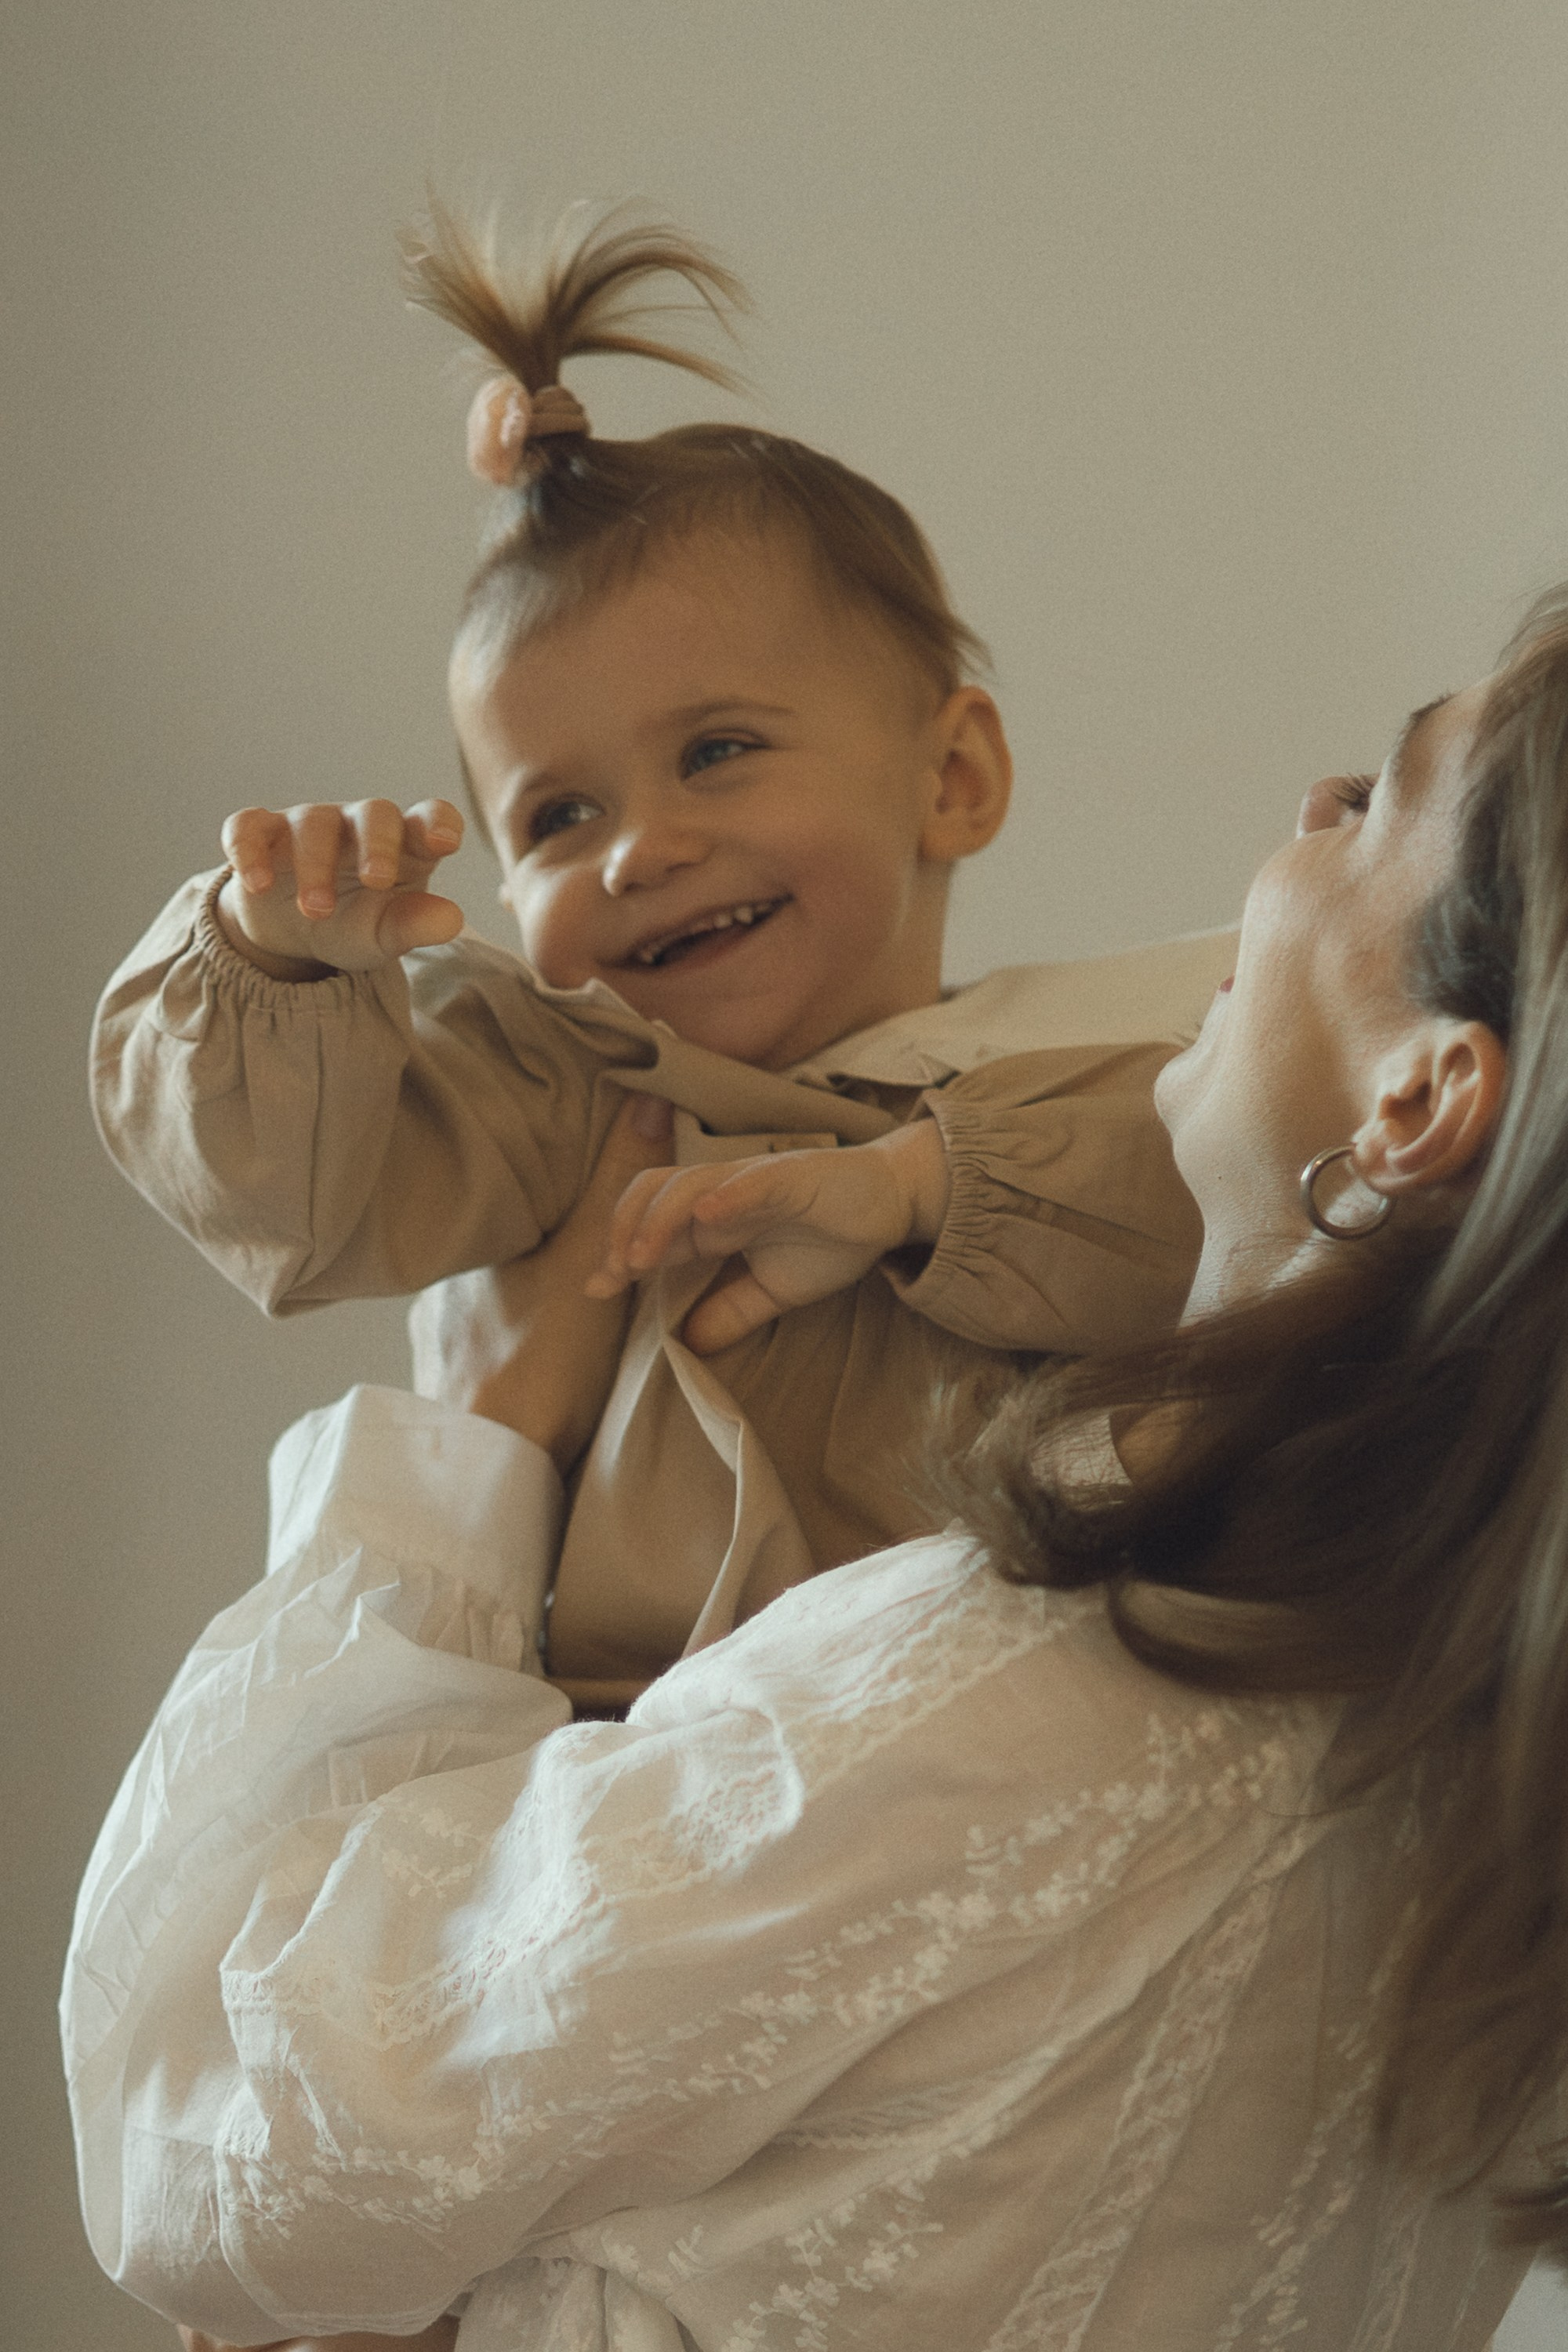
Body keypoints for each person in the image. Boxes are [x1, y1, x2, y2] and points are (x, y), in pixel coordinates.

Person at [65, 595, 1568, 2349]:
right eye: (548, 813)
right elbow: (282, 1173)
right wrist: (265, 959)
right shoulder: (1470, 1762)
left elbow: (230, 2127)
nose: (1311, 807)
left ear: (1417, 1106)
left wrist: (468, 1445)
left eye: (1377, 803)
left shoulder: (1055, 1685)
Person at [90, 202, 1232, 1714]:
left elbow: (1229, 1228)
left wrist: (919, 1185)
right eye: (558, 816)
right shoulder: (559, 1101)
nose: (637, 851)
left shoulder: (1087, 1062)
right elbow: (299, 1202)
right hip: (633, 1757)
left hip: (990, 1728)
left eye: (717, 751)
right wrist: (270, 968)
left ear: (949, 778)